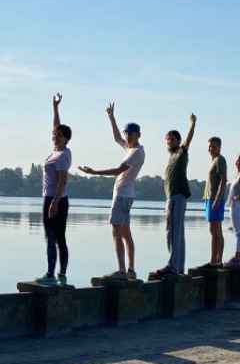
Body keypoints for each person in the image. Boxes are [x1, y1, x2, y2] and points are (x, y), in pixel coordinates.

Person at [79, 104, 145, 280]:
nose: (127, 136)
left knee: (116, 232)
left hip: (122, 195)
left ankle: (122, 270)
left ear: (138, 135)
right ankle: (130, 270)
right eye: (126, 133)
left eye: (131, 133)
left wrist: (93, 172)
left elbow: (118, 170)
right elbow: (117, 138)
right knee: (125, 233)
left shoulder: (136, 152)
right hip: (126, 195)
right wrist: (112, 118)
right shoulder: (131, 149)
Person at [152, 114, 196, 279]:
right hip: (174, 198)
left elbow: (188, 141)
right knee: (178, 233)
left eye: (172, 138)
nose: (169, 141)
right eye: (167, 139)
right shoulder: (172, 157)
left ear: (178, 141)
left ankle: (173, 265)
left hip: (176, 197)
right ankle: (179, 266)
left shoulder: (180, 153)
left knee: (172, 232)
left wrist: (192, 125)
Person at [35, 93, 72, 285]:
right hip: (53, 199)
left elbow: (63, 181)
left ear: (66, 139)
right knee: (56, 238)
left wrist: (54, 204)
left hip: (55, 199)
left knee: (54, 238)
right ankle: (59, 275)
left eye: (60, 135)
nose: (55, 136)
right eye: (55, 135)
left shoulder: (62, 156)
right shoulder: (57, 152)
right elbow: (56, 126)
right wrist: (56, 108)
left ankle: (53, 275)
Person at [200, 136, 228, 268]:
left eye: (214, 146)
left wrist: (217, 199)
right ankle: (217, 260)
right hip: (210, 198)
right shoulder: (214, 161)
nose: (211, 148)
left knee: (214, 230)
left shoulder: (220, 160)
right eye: (209, 146)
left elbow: (223, 180)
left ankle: (214, 261)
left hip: (215, 199)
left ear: (219, 147)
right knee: (217, 230)